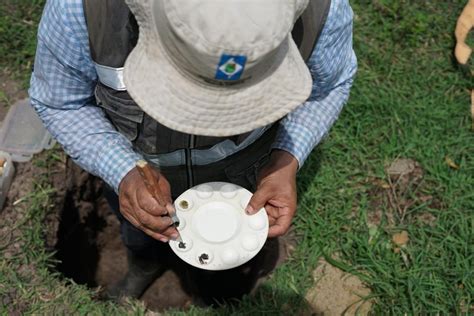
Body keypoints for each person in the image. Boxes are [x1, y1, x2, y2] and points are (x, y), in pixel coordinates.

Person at [29, 0, 357, 303]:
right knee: (139, 234)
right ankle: (144, 265)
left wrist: (285, 159)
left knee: (224, 255)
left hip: (244, 173)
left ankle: (213, 287)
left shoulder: (322, 12)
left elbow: (328, 86)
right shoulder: (85, 11)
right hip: (138, 172)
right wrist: (124, 171)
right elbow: (60, 102)